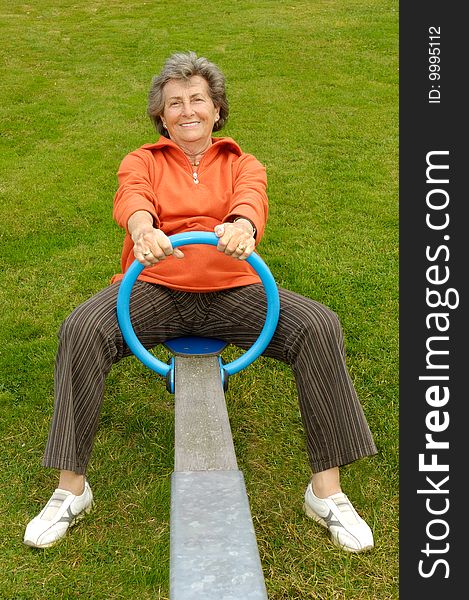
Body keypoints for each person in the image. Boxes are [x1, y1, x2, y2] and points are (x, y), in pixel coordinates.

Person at [24, 51, 377, 552]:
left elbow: (251, 201)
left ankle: (327, 493)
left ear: (216, 110)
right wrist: (143, 230)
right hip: (152, 290)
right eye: (174, 103)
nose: (187, 110)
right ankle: (69, 490)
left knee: (318, 326)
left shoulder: (243, 163)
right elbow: (133, 199)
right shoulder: (142, 160)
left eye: (197, 100)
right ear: (161, 116)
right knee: (81, 329)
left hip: (234, 292)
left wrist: (242, 226)